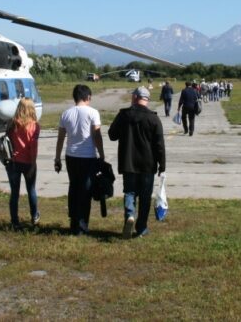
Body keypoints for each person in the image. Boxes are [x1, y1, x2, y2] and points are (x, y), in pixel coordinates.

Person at [108, 87, 166, 239]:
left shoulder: (124, 115)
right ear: (147, 99)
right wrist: (162, 165)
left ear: (134, 97)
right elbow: (159, 145)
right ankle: (141, 228)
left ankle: (129, 215)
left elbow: (112, 135)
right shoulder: (154, 119)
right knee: (145, 197)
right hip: (148, 165)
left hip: (129, 163)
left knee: (130, 192)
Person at [55, 84, 106, 235]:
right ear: (87, 97)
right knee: (86, 190)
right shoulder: (93, 113)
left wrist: (57, 158)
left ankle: (74, 221)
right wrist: (101, 154)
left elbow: (60, 139)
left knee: (74, 188)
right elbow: (97, 135)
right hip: (88, 157)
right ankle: (82, 225)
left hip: (71, 156)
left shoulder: (66, 114)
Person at [4, 98, 40, 230]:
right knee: (31, 190)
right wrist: (33, 163)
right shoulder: (35, 126)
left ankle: (14, 221)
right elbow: (33, 147)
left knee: (14, 193)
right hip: (28, 162)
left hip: (13, 163)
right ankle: (34, 216)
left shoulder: (12, 124)